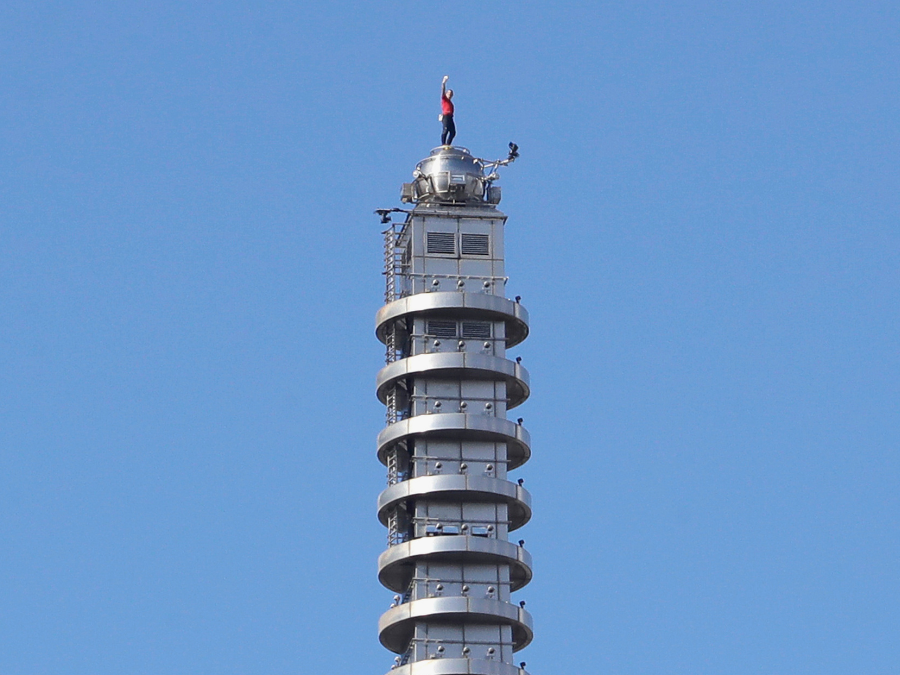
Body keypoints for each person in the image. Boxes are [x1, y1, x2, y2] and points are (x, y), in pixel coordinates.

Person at [440, 75, 456, 146]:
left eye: (451, 94)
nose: (450, 95)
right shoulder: (444, 99)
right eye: (449, 93)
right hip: (446, 116)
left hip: (450, 117)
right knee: (445, 130)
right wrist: (444, 82)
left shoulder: (451, 103)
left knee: (453, 132)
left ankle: (448, 144)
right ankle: (443, 144)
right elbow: (443, 90)